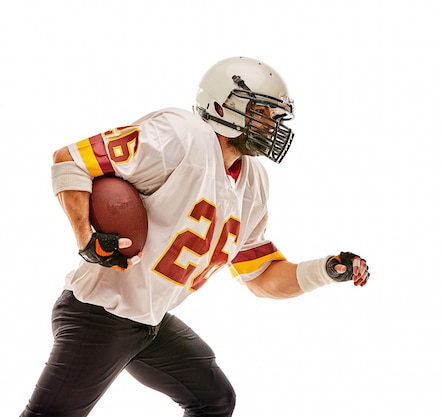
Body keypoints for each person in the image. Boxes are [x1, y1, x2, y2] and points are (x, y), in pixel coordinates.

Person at [20, 56, 370, 417]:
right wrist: (85, 239)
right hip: (101, 313)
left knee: (214, 401)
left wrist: (327, 271)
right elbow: (70, 159)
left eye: (277, 116)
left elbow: (262, 275)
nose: (273, 125)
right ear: (226, 105)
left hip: (151, 322)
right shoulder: (181, 135)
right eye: (266, 113)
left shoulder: (253, 182)